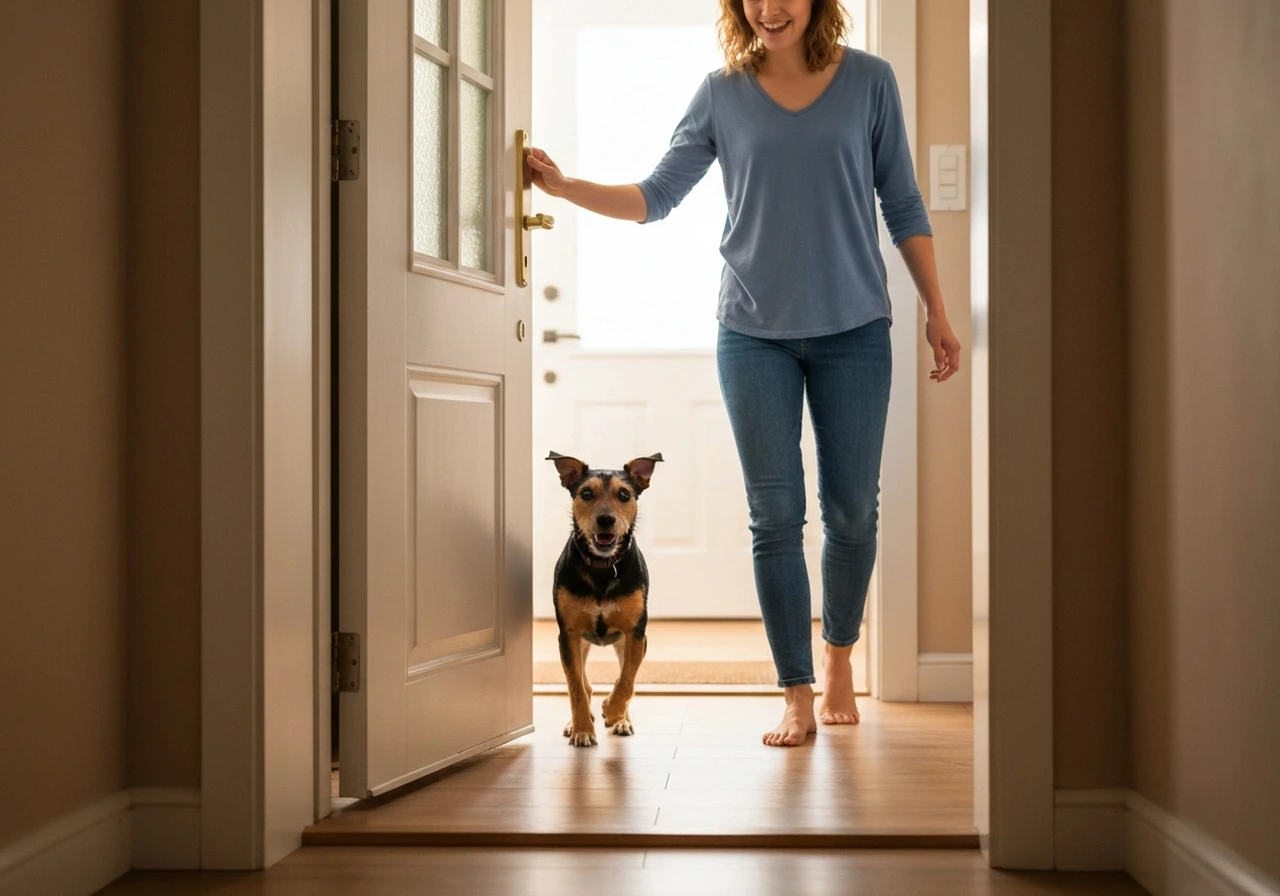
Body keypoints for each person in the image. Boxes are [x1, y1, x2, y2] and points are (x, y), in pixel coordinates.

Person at [527, 0, 961, 747]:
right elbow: (656, 197)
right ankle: (795, 690)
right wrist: (566, 190)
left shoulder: (871, 82)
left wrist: (936, 310)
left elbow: (904, 201)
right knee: (775, 517)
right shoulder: (721, 93)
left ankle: (839, 658)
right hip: (752, 333)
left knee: (853, 511)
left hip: (856, 328)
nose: (769, 8)